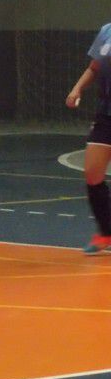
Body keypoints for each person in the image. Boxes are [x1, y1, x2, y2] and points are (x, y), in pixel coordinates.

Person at [67, 21, 111, 254]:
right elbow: (94, 67)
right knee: (93, 173)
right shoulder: (106, 31)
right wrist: (77, 89)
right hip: (106, 114)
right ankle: (106, 232)